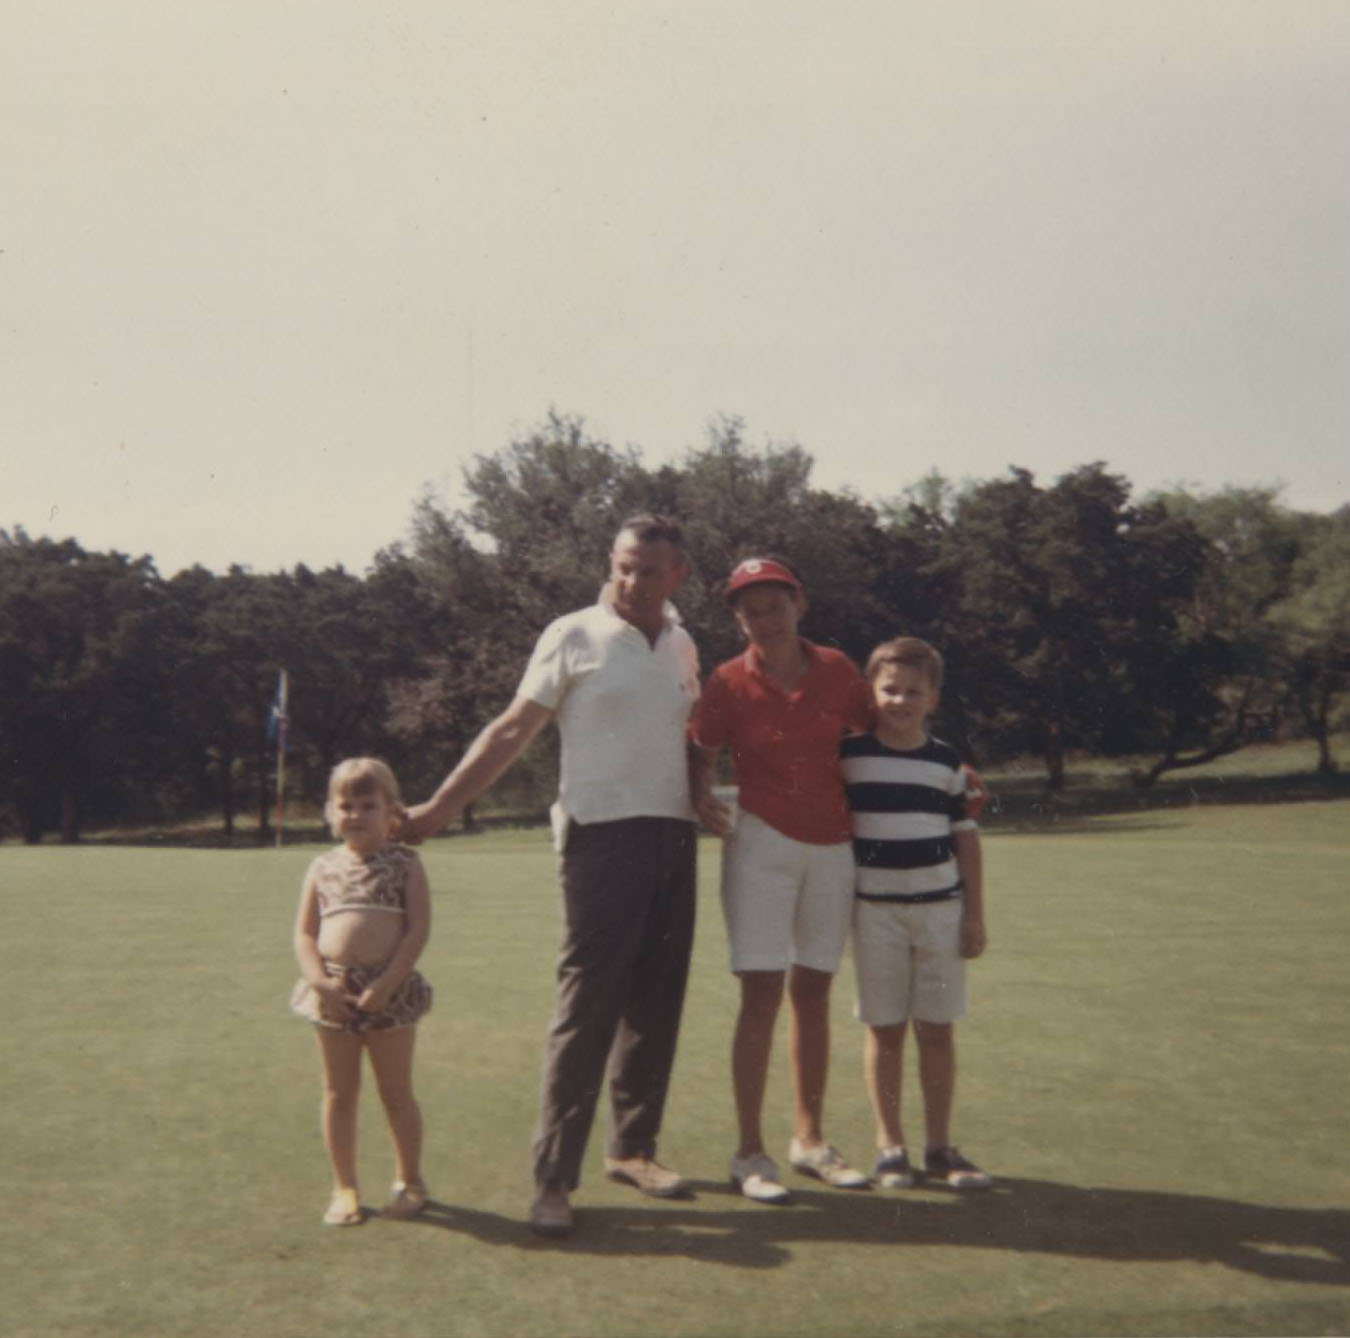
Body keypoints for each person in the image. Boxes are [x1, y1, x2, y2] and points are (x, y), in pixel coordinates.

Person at [400, 515, 700, 1237]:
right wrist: (441, 807)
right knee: (587, 1006)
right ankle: (552, 1179)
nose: (633, 581)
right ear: (612, 561)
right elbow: (511, 729)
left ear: (677, 576)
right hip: (600, 837)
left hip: (675, 835)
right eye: (624, 566)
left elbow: (690, 738)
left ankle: (632, 1150)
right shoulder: (572, 634)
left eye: (649, 571)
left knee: (656, 1003)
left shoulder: (687, 643)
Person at [689, 556, 874, 1203]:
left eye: (773, 606)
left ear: (800, 605)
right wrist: (700, 794)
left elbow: (880, 735)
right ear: (738, 620)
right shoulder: (726, 681)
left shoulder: (840, 670)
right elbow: (700, 748)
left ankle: (810, 1140)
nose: (762, 620)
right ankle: (749, 1152)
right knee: (761, 994)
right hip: (760, 845)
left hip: (834, 846)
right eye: (749, 611)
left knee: (814, 992)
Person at [841, 636, 991, 1191]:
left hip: (939, 913)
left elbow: (967, 841)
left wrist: (974, 916)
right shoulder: (851, 757)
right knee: (884, 1030)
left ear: (933, 698)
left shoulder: (948, 763)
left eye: (913, 692)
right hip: (874, 912)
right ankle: (889, 1146)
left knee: (937, 1030)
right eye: (889, 689)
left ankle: (939, 1146)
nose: (900, 701)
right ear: (871, 692)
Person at [291, 757, 433, 1227]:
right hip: (333, 995)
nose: (355, 814)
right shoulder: (322, 866)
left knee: (396, 1092)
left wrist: (387, 983)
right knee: (338, 1093)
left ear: (390, 811)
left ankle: (409, 1180)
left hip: (390, 993)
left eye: (367, 804)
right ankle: (345, 1186)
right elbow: (304, 935)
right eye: (345, 804)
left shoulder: (406, 864)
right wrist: (318, 982)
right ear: (331, 813)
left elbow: (416, 932)